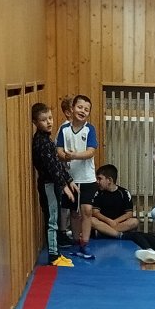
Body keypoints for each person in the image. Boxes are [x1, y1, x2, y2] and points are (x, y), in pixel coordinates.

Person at [29, 102, 76, 267]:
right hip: (48, 185)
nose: (49, 122)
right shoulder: (41, 142)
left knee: (54, 218)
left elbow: (57, 164)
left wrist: (69, 180)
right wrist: (64, 186)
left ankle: (56, 253)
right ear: (35, 122)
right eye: (44, 120)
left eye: (50, 118)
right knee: (52, 220)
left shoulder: (47, 139)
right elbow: (51, 168)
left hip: (53, 184)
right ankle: (54, 256)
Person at [55, 94, 99, 258]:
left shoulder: (89, 129)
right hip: (70, 178)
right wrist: (64, 156)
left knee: (86, 210)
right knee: (74, 212)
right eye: (80, 107)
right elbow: (59, 150)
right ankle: (75, 241)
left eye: (86, 109)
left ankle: (85, 243)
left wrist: (74, 155)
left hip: (87, 178)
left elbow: (90, 152)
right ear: (72, 109)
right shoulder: (64, 129)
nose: (82, 111)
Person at [86, 165, 139, 239]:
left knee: (134, 221)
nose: (97, 182)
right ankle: (118, 234)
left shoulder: (124, 192)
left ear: (110, 180)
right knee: (91, 220)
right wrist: (109, 221)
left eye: (100, 179)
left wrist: (115, 222)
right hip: (104, 223)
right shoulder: (98, 193)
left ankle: (105, 233)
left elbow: (129, 214)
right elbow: (95, 212)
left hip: (117, 223)